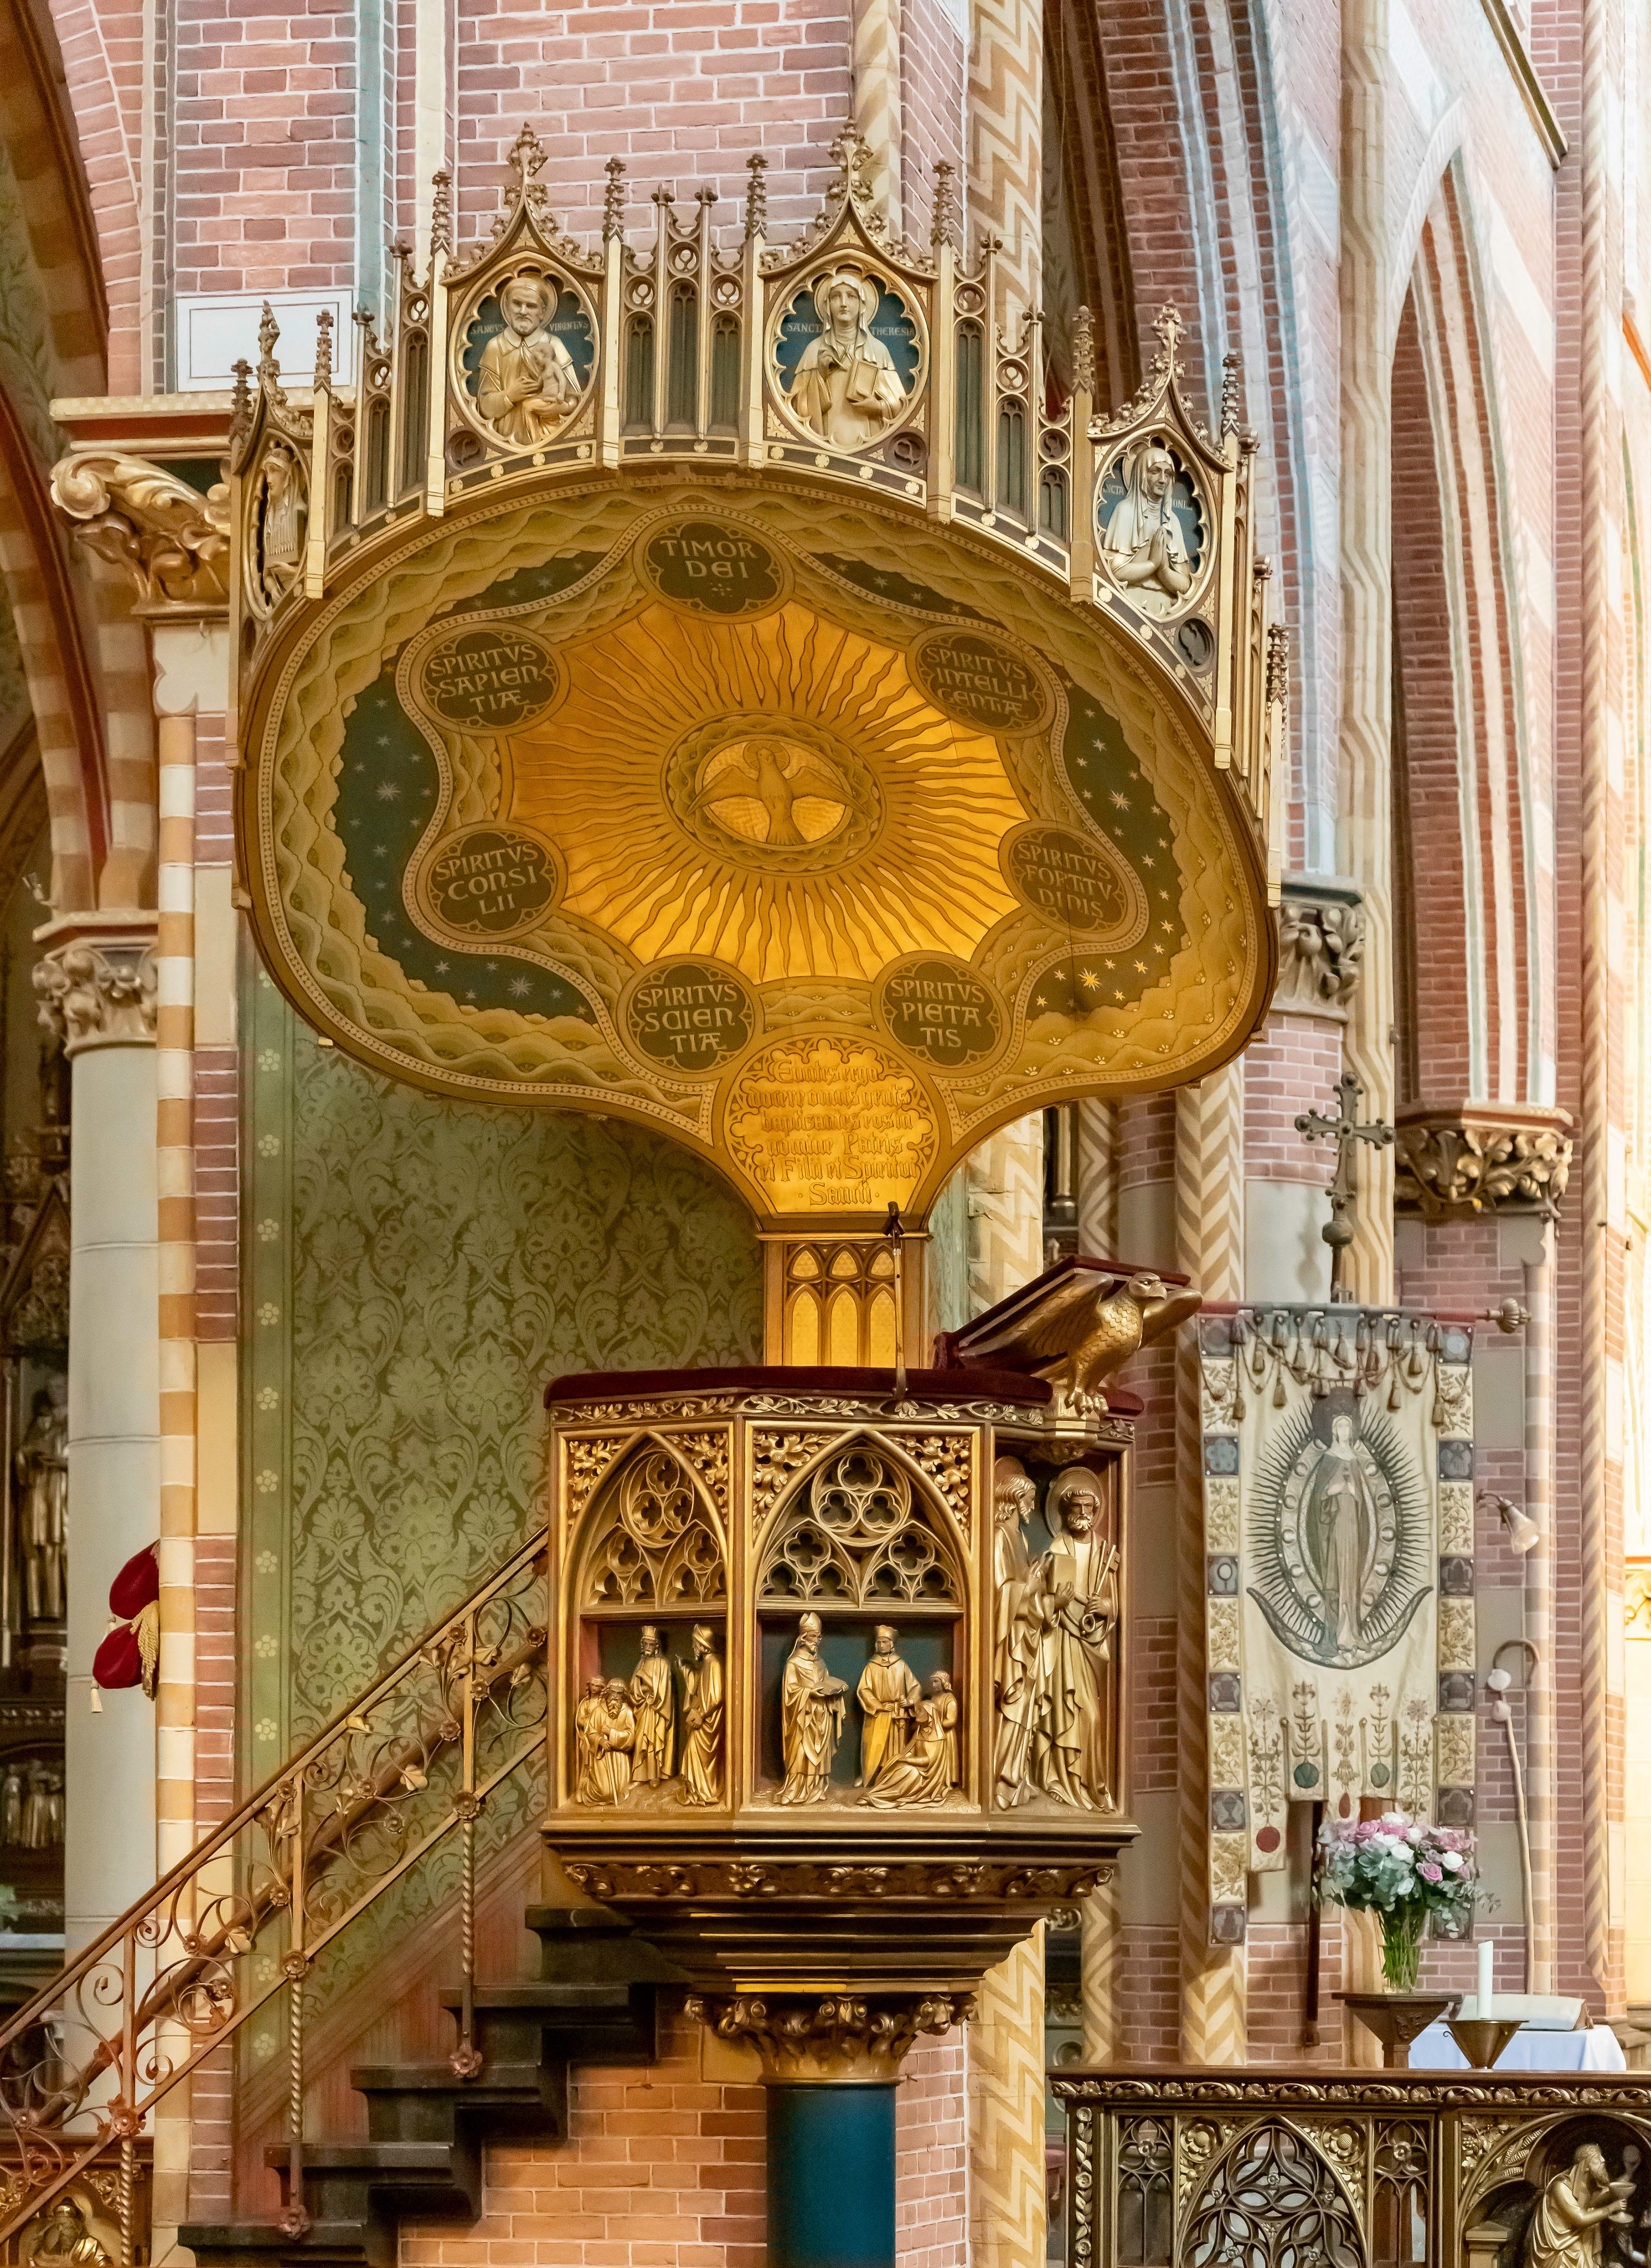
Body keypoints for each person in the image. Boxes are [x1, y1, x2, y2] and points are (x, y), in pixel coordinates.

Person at [1027, 1467, 1119, 1810]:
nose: (1082, 1515)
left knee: (1092, 1717)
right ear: (1065, 1513)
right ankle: (1058, 1779)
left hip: (1089, 1641)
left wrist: (1107, 1606)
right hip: (1061, 1642)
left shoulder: (1106, 1552)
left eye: (1088, 1509)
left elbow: (1115, 1601)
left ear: (1096, 1512)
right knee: (1065, 1709)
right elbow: (1044, 1598)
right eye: (1076, 1509)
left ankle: (1092, 1786)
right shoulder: (1057, 1547)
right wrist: (1060, 1603)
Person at [789, 270, 906, 450]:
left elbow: (901, 405)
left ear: (862, 305)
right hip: (822, 445)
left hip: (871, 447)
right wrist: (820, 377)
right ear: (828, 305)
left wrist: (879, 406)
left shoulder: (877, 351)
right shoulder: (814, 351)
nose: (844, 304)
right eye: (836, 297)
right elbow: (797, 410)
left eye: (851, 296)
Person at [1303, 1413, 1377, 1655]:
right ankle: (1333, 1635)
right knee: (1336, 1575)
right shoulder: (1329, 1459)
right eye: (1341, 1426)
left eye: (1348, 1426)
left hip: (1353, 1526)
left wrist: (1353, 1491)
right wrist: (1332, 1491)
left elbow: (1364, 1503)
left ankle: (1353, 1634)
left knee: (1351, 1578)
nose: (1345, 1431)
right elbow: (1317, 1501)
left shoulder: (1355, 1460)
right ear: (1335, 1431)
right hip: (1335, 1526)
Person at [991, 1456, 1041, 1806]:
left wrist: (1036, 1582)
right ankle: (998, 1780)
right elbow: (999, 1593)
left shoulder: (1020, 1540)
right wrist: (1030, 1585)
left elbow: (1020, 1588)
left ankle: (1017, 1778)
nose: (1033, 1508)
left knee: (1024, 1708)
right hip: (1008, 1646)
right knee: (1011, 1703)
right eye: (1029, 1501)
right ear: (1013, 1500)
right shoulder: (999, 1537)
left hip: (1025, 1638)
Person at [477, 276, 579, 445]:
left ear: (543, 312)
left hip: (550, 436)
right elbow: (484, 406)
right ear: (508, 307)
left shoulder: (554, 345)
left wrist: (555, 408)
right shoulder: (495, 347)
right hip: (504, 442)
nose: (523, 311)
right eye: (517, 304)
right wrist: (510, 396)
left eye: (531, 306)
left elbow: (574, 399)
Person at [1100, 441, 1193, 613]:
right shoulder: (1126, 511)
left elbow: (1185, 585)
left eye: (1168, 474)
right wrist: (1152, 564)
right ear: (1141, 475)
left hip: (1167, 608)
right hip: (1130, 603)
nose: (1163, 480)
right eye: (1155, 472)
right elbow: (1116, 571)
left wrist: (1163, 569)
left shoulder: (1173, 521)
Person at [1525, 2144, 1634, 2268]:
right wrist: (1612, 2208)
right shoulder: (1560, 2187)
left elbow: (1604, 2197)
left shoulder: (1584, 2183)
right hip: (1559, 2252)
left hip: (1575, 2245)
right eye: (1598, 2159)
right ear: (1586, 2166)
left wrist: (1629, 2173)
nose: (1603, 2161)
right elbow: (1580, 2219)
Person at [777, 1611, 847, 1804]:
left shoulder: (821, 1662)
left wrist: (836, 1690)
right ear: (803, 1638)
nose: (817, 1640)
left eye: (819, 1636)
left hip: (822, 1714)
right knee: (801, 1752)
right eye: (813, 1636)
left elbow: (827, 1683)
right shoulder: (794, 1663)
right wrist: (810, 1693)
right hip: (803, 1716)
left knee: (821, 1753)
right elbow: (791, 1691)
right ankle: (796, 1789)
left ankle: (816, 1787)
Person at [865, 1672, 960, 1809]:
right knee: (899, 1770)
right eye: (932, 1682)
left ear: (944, 1683)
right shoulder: (932, 1702)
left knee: (944, 1763)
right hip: (931, 1733)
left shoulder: (949, 1700)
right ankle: (879, 1793)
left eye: (936, 1682)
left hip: (943, 1734)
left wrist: (935, 1724)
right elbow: (913, 1749)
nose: (933, 1685)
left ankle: (945, 1783)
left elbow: (951, 1721)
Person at [15, 1377, 66, 1625]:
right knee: (33, 1550)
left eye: (59, 1387)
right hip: (38, 1492)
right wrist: (26, 1454)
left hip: (59, 1493)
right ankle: (35, 1608)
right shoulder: (36, 1428)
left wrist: (58, 1459)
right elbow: (22, 1459)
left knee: (54, 1550)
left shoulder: (68, 1425)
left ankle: (55, 1607)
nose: (54, 1393)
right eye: (51, 1389)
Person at [855, 1625, 920, 1786]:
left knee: (895, 1747)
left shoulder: (901, 1665)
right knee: (874, 1747)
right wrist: (879, 1706)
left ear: (891, 1644)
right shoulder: (871, 1666)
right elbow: (864, 1690)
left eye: (884, 1642)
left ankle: (892, 1778)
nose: (881, 1645)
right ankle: (871, 1776)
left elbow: (915, 1687)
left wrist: (910, 1701)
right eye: (879, 1642)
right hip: (878, 1713)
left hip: (897, 1712)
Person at [678, 1624, 724, 1806]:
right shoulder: (707, 1663)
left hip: (708, 1721)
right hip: (704, 1718)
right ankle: (700, 1791)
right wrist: (687, 1669)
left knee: (694, 1752)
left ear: (703, 1645)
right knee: (695, 1755)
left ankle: (704, 1792)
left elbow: (717, 1696)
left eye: (695, 1644)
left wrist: (702, 1715)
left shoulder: (713, 1664)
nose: (693, 1648)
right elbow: (700, 1686)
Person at [629, 1625, 675, 1786]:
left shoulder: (664, 1664)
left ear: (657, 1647)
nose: (648, 1648)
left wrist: (646, 1680)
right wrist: (640, 1691)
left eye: (651, 1645)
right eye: (645, 1645)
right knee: (641, 1740)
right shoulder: (641, 1663)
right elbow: (633, 1686)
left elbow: (663, 1692)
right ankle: (641, 1774)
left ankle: (655, 1774)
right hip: (643, 1707)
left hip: (657, 1711)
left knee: (654, 1740)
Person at [584, 1679, 637, 1806]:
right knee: (605, 1792)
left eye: (618, 1694)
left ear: (623, 1696)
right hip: (602, 1757)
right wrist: (601, 1741)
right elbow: (590, 1732)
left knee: (619, 1792)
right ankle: (584, 1786)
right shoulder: (598, 1711)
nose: (615, 1697)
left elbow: (631, 1736)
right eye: (613, 1692)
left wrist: (612, 1733)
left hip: (620, 1758)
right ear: (608, 1693)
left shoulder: (627, 1712)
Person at [573, 1674, 608, 1805]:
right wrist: (591, 1723)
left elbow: (607, 1719)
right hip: (588, 1740)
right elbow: (579, 1720)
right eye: (592, 1685)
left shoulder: (604, 1703)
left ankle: (601, 1787)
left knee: (601, 1767)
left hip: (601, 1740)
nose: (594, 1688)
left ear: (602, 1688)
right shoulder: (585, 1703)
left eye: (597, 1686)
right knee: (587, 1767)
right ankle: (583, 1790)